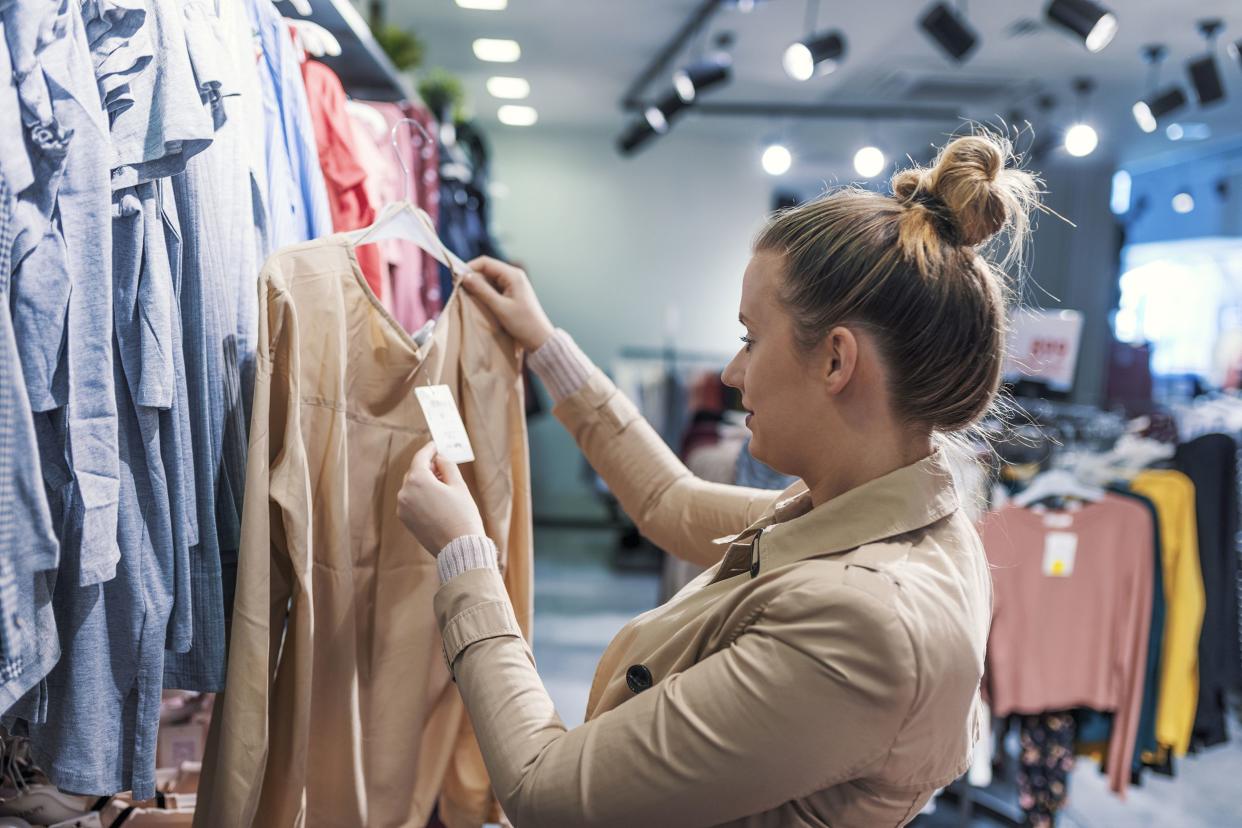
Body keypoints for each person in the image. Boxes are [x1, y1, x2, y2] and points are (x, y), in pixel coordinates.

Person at [397, 132, 1041, 827]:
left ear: (835, 362)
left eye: (749, 338)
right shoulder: (889, 520)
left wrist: (465, 558)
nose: (733, 374)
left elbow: (546, 793)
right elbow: (672, 503)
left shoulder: (863, 623)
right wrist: (547, 346)